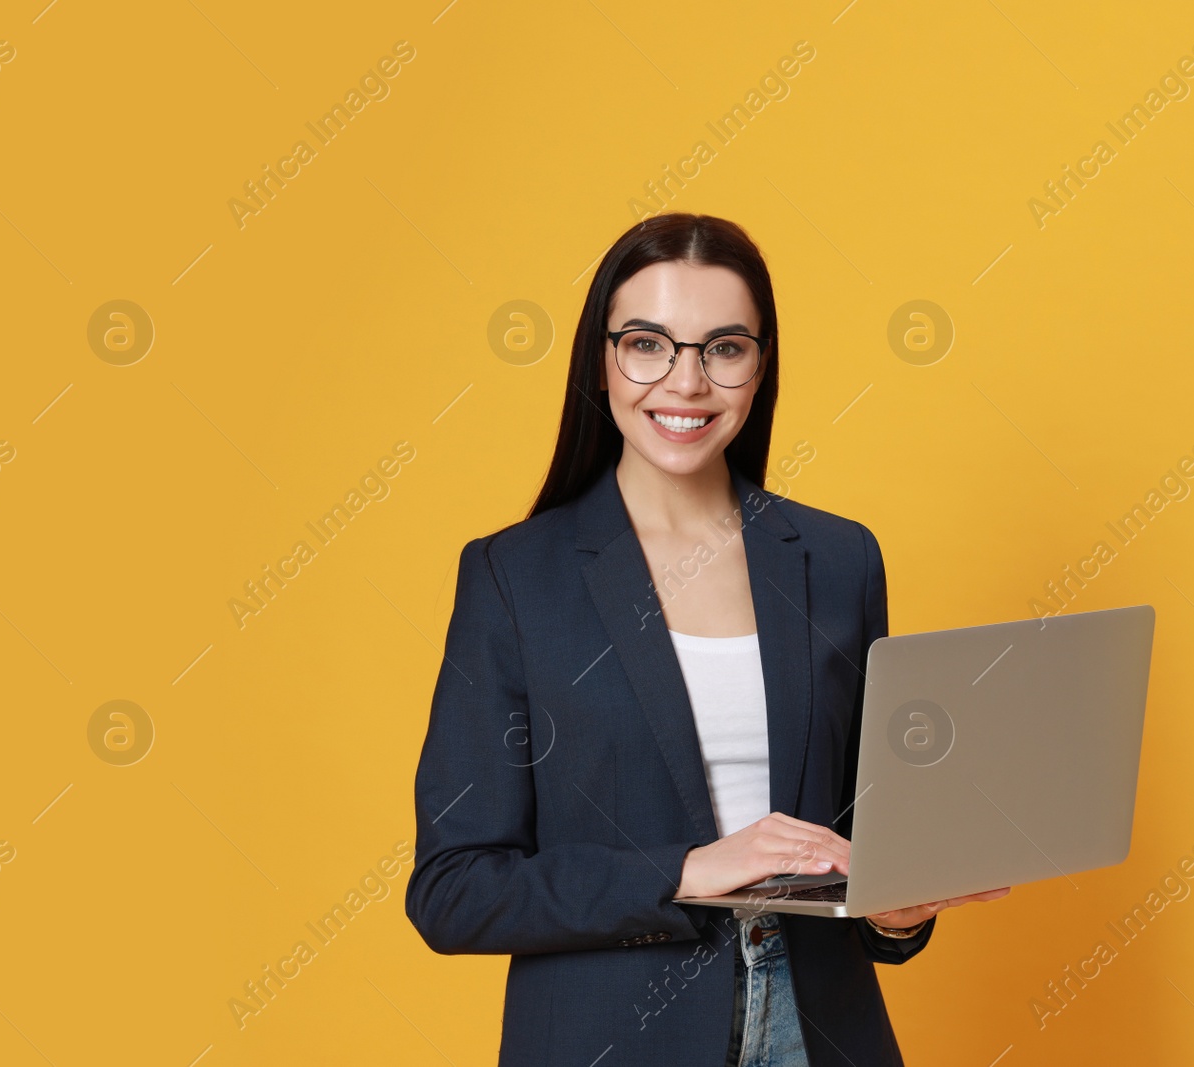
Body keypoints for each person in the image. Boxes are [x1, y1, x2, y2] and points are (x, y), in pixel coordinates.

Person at [405, 213, 1010, 1066]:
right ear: (602, 359)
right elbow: (454, 890)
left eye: (724, 348)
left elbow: (858, 842)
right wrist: (686, 869)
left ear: (760, 365)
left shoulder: (839, 561)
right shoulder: (516, 578)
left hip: (821, 1033)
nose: (686, 382)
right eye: (649, 344)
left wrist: (896, 908)